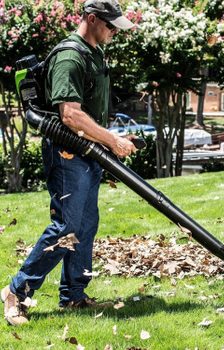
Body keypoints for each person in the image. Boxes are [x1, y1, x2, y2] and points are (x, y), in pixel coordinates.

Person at [1, 0, 136, 326]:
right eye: (110, 25)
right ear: (91, 18)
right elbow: (70, 115)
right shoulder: (70, 56)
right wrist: (113, 140)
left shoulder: (93, 54)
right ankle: (16, 292)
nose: (114, 31)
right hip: (68, 155)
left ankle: (74, 296)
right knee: (67, 228)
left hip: (88, 155)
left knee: (85, 225)